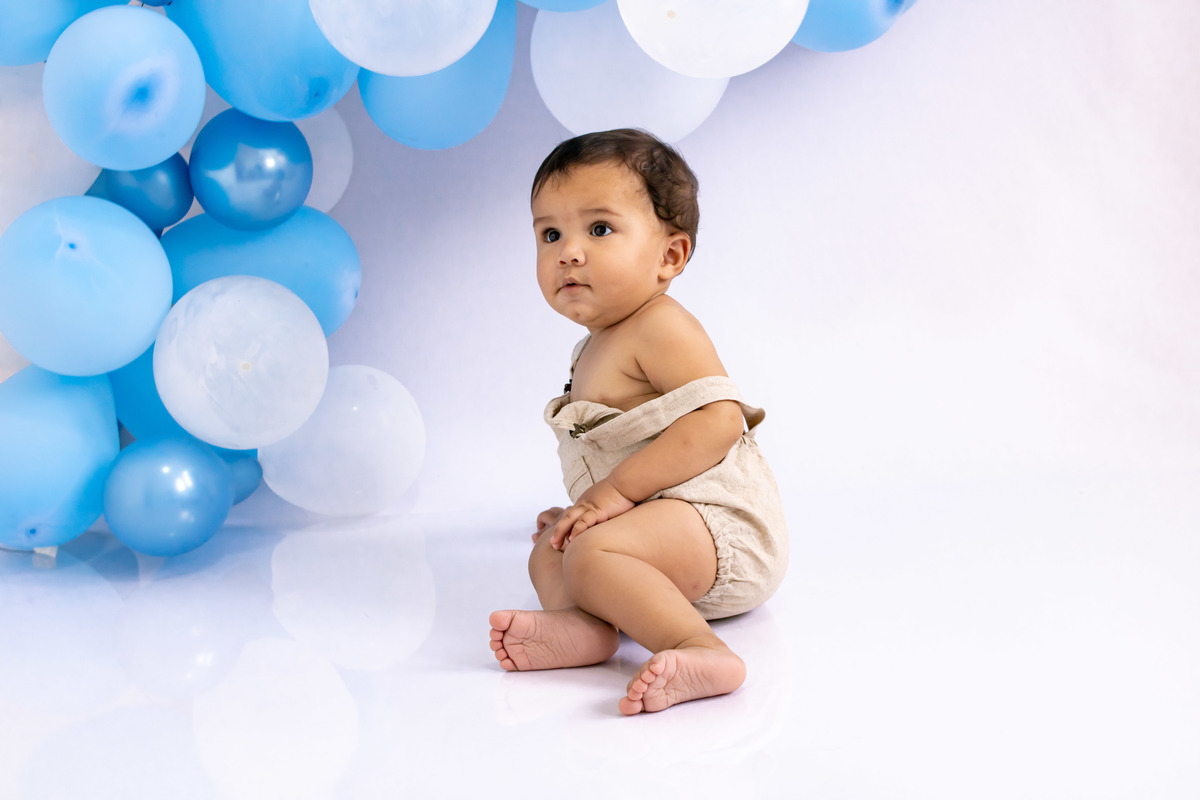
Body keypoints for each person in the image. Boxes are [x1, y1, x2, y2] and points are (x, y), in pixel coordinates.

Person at [488, 129, 788, 715]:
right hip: (668, 535)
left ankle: (701, 649)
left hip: (722, 532)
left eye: (599, 229)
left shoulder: (659, 326)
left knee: (591, 553)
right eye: (551, 234)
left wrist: (612, 495)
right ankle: (585, 628)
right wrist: (582, 508)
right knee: (553, 548)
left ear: (669, 256)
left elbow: (718, 420)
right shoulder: (592, 347)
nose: (568, 252)